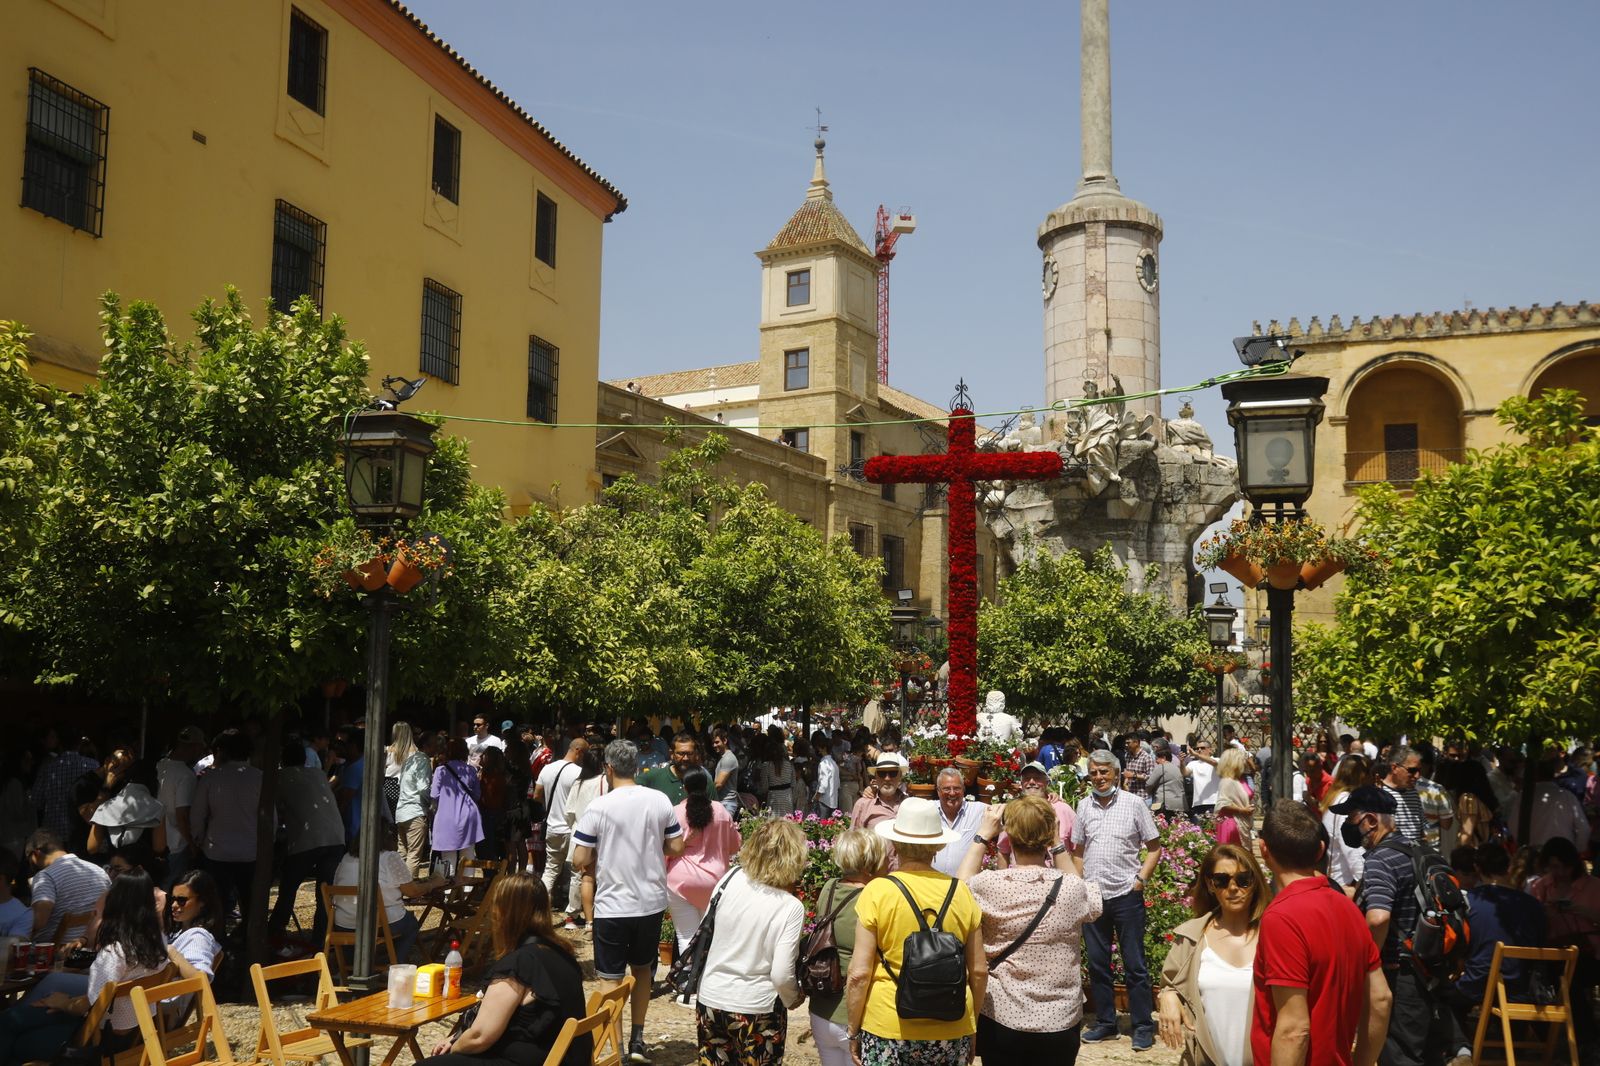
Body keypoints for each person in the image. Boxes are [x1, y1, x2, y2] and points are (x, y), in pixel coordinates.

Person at [846, 798, 987, 1066]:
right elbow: (979, 971)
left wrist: (853, 1030)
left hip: (888, 1025)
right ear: (937, 845)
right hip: (951, 1025)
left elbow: (859, 974)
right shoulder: (962, 893)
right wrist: (972, 1027)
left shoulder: (877, 891)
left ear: (895, 844)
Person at [958, 795, 1100, 1062]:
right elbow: (1089, 902)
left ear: (1008, 835)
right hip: (1060, 1019)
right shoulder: (1070, 888)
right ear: (1048, 834)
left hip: (1002, 1014)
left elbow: (958, 890)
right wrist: (1057, 843)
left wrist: (982, 836)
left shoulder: (990, 885)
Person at [572, 740, 685, 1065]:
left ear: (608, 768)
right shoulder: (659, 800)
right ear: (637, 767)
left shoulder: (600, 807)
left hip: (612, 905)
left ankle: (617, 1047)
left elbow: (581, 857)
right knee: (642, 969)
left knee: (610, 978)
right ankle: (638, 1037)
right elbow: (676, 847)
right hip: (649, 902)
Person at [1252, 801, 1390, 1065]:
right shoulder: (1349, 909)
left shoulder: (1281, 918)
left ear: (1263, 849)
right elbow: (1380, 999)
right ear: (1321, 850)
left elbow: (1294, 1030)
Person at [0, 867, 174, 1066]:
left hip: (94, 1038)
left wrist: (63, 1002)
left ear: (116, 901)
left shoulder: (115, 949)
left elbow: (92, 999)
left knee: (12, 1026)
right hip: (127, 1033)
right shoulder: (158, 941)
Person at [422, 873, 591, 1066]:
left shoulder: (520, 964)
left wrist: (453, 1048)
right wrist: (455, 1039)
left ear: (504, 913)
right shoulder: (561, 952)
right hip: (566, 1057)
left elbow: (480, 1036)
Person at [1330, 785, 1435, 1066]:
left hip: (1397, 974)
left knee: (1397, 1056)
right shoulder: (1416, 851)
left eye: (1351, 818)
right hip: (1426, 972)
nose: (1348, 826)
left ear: (1371, 821)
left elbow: (1378, 917)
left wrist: (1366, 963)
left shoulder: (1380, 860)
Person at [694, 818, 807, 1065]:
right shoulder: (790, 907)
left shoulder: (729, 879)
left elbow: (707, 931)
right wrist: (793, 997)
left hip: (712, 998)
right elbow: (781, 972)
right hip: (756, 1006)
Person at [1073, 749, 1161, 1050]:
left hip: (1126, 895)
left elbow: (1154, 848)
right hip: (1094, 897)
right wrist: (1080, 885)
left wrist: (1140, 881)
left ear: (1117, 773)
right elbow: (1078, 851)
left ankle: (1142, 1025)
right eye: (1094, 772)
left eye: (1104, 772)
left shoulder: (1135, 804)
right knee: (1098, 965)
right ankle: (1106, 1023)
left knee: (1135, 965)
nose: (1098, 777)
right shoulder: (1083, 806)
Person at [1157, 843, 1267, 1066]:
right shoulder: (1191, 938)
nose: (1233, 888)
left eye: (1243, 879)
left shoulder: (1273, 937)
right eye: (1222, 880)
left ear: (1254, 882)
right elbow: (1170, 985)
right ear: (1210, 884)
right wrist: (1168, 996)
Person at [1441, 845, 1545, 1066]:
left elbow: (1460, 944)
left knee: (1446, 997)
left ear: (1478, 868)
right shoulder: (1532, 904)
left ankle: (1462, 1050)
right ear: (1508, 867)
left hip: (1479, 982)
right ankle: (1516, 1047)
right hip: (1521, 986)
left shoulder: (1468, 902)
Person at [807, 828, 886, 1066]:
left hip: (822, 1009)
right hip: (854, 1014)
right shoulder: (875, 896)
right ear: (870, 861)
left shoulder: (829, 888)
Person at [270, 738, 348, 944]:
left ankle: (275, 932)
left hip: (307, 839)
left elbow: (274, 812)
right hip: (335, 836)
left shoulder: (280, 777)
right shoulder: (317, 774)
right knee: (325, 892)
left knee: (288, 886)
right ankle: (320, 941)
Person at [1529, 836, 1600, 1047]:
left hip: (1589, 955)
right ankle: (1563, 1041)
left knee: (1569, 980)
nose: (1559, 873)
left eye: (1563, 867)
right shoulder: (1541, 887)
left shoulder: (1594, 887)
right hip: (1554, 954)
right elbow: (1533, 924)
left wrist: (1581, 912)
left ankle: (1584, 1040)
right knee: (1549, 978)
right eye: (1553, 867)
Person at [330, 834, 442, 964]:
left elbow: (335, 886)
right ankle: (395, 965)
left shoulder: (346, 858)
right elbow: (412, 892)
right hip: (378, 924)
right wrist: (433, 884)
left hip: (344, 923)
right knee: (410, 924)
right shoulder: (389, 857)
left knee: (396, 921)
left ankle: (349, 967)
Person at [665, 768, 739, 957]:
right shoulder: (721, 810)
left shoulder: (676, 812)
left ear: (684, 787)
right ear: (707, 786)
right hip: (716, 883)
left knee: (686, 937)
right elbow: (734, 846)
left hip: (681, 882)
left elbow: (666, 851)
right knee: (711, 939)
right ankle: (705, 981)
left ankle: (687, 982)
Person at [190, 728, 261, 924]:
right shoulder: (259, 778)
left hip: (217, 851)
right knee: (249, 901)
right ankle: (247, 937)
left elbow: (197, 815)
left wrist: (199, 841)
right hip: (250, 850)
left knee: (216, 902)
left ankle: (217, 940)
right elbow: (268, 817)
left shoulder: (211, 777)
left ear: (221, 751)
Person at [22, 826, 110, 941]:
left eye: (29, 860)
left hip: (56, 951)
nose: (31, 866)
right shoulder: (99, 870)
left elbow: (38, 922)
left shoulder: (46, 876)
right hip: (94, 945)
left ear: (36, 854)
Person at [534, 738, 588, 910]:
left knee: (550, 869)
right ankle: (572, 913)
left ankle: (540, 907)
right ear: (578, 750)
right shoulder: (579, 772)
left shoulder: (548, 768)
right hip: (572, 828)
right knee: (575, 872)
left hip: (552, 826)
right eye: (585, 753)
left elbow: (536, 795)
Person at [997, 761, 1076, 870]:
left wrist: (1075, 880)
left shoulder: (1063, 810)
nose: (1032, 782)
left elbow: (1078, 850)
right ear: (1021, 783)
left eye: (1037, 778)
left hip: (1059, 882)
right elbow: (1003, 850)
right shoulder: (1014, 811)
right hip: (1021, 881)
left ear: (1047, 782)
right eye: (1027, 778)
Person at [560, 748, 606, 927]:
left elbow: (569, 813)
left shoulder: (578, 783)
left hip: (579, 833)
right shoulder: (603, 781)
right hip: (600, 834)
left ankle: (573, 914)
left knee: (578, 876)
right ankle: (597, 914)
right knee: (596, 877)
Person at [155, 727, 206, 885]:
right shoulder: (186, 775)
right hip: (176, 845)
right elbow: (182, 815)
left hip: (155, 840)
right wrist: (191, 844)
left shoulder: (159, 765)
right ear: (195, 747)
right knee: (171, 890)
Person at [432, 737, 485, 875]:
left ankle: (448, 891)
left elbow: (434, 795)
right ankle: (466, 889)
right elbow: (477, 795)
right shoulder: (471, 770)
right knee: (467, 856)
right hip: (468, 815)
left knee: (447, 856)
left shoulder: (440, 771)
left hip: (446, 816)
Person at [1321, 753, 1371, 896]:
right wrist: (1363, 879)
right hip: (1345, 883)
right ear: (1360, 776)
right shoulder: (1345, 802)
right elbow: (1350, 846)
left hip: (1337, 877)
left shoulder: (1334, 797)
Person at [392, 723, 434, 878]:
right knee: (414, 854)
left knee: (402, 853)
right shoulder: (423, 760)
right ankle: (409, 889)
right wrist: (430, 804)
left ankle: (397, 887)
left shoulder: (410, 760)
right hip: (415, 811)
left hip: (401, 811)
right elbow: (423, 787)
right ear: (428, 746)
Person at [930, 767, 985, 876]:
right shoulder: (928, 810)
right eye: (946, 789)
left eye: (957, 788)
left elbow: (1009, 813)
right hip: (932, 885)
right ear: (938, 791)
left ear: (963, 789)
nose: (952, 793)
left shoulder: (978, 811)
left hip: (965, 886)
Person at [1377, 746, 1427, 845]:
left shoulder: (1413, 793)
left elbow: (1421, 832)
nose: (1417, 776)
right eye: (1412, 770)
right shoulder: (1379, 795)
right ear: (1394, 768)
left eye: (1419, 771)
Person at [848, 753, 907, 831]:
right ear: (876, 777)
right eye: (882, 773)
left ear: (900, 776)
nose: (887, 778)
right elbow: (854, 838)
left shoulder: (908, 804)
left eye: (893, 773)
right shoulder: (863, 805)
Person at [639, 732, 699, 806]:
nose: (685, 758)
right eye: (681, 754)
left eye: (690, 754)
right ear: (671, 754)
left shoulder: (702, 780)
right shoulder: (653, 777)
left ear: (695, 754)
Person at [1214, 748, 1254, 851]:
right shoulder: (1227, 781)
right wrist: (1242, 810)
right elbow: (1222, 804)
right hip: (1232, 824)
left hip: (1242, 822)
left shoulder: (1240, 779)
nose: (1244, 763)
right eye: (1242, 760)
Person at [1146, 741, 1186, 815]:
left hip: (1165, 805)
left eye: (1157, 758)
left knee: (1163, 825)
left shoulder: (1161, 767)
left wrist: (1149, 792)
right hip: (1180, 804)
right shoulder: (1177, 768)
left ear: (1164, 758)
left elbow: (1149, 784)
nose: (1156, 761)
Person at [710, 727, 742, 817]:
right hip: (723, 803)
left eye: (717, 742)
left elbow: (718, 784)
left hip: (727, 803)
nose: (714, 745)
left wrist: (705, 796)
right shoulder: (723, 757)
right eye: (713, 743)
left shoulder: (728, 758)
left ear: (725, 741)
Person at [1185, 739, 1219, 816]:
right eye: (1197, 748)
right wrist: (1181, 762)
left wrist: (1196, 754)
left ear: (1210, 750)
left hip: (1213, 802)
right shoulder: (1193, 763)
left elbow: (1214, 763)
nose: (1199, 750)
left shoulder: (1217, 760)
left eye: (1202, 748)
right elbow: (1184, 773)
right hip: (1198, 803)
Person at [811, 732, 839, 815]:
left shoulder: (823, 764)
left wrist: (816, 797)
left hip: (824, 801)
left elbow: (823, 785)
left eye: (819, 747)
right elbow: (838, 783)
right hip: (833, 799)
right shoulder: (833, 763)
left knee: (822, 825)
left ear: (823, 748)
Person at [1121, 732, 1155, 797]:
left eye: (1128, 743)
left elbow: (1151, 777)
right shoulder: (1127, 756)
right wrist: (1125, 782)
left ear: (1136, 743)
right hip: (1130, 794)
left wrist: (1134, 775)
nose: (1126, 745)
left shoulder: (1146, 757)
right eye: (1125, 743)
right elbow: (1127, 773)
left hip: (1143, 796)